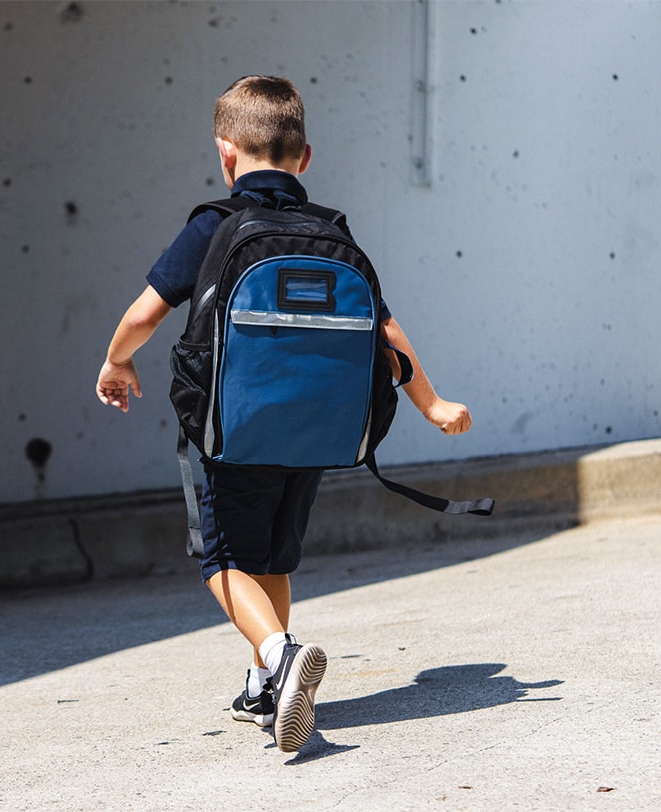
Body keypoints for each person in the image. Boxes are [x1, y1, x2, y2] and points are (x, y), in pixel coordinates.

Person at [94, 75, 474, 753]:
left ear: (225, 152)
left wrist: (116, 361)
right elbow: (385, 331)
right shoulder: (330, 230)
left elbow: (146, 313)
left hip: (234, 431)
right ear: (305, 157)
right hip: (317, 431)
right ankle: (263, 685)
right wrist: (433, 404)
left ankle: (280, 654)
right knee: (270, 555)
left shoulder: (216, 224)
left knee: (223, 559)